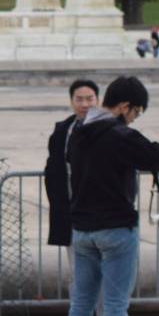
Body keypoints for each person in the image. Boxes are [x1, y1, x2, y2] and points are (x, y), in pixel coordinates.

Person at [63, 76, 159, 316]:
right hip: (116, 227)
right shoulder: (120, 135)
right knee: (114, 304)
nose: (135, 118)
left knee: (81, 303)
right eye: (136, 112)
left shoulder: (78, 132)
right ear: (125, 106)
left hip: (82, 228)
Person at [44, 79, 100, 248]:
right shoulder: (62, 130)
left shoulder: (110, 128)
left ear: (98, 100)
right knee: (77, 264)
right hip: (70, 209)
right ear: (71, 101)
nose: (84, 104)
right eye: (79, 99)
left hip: (101, 210)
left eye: (90, 99)